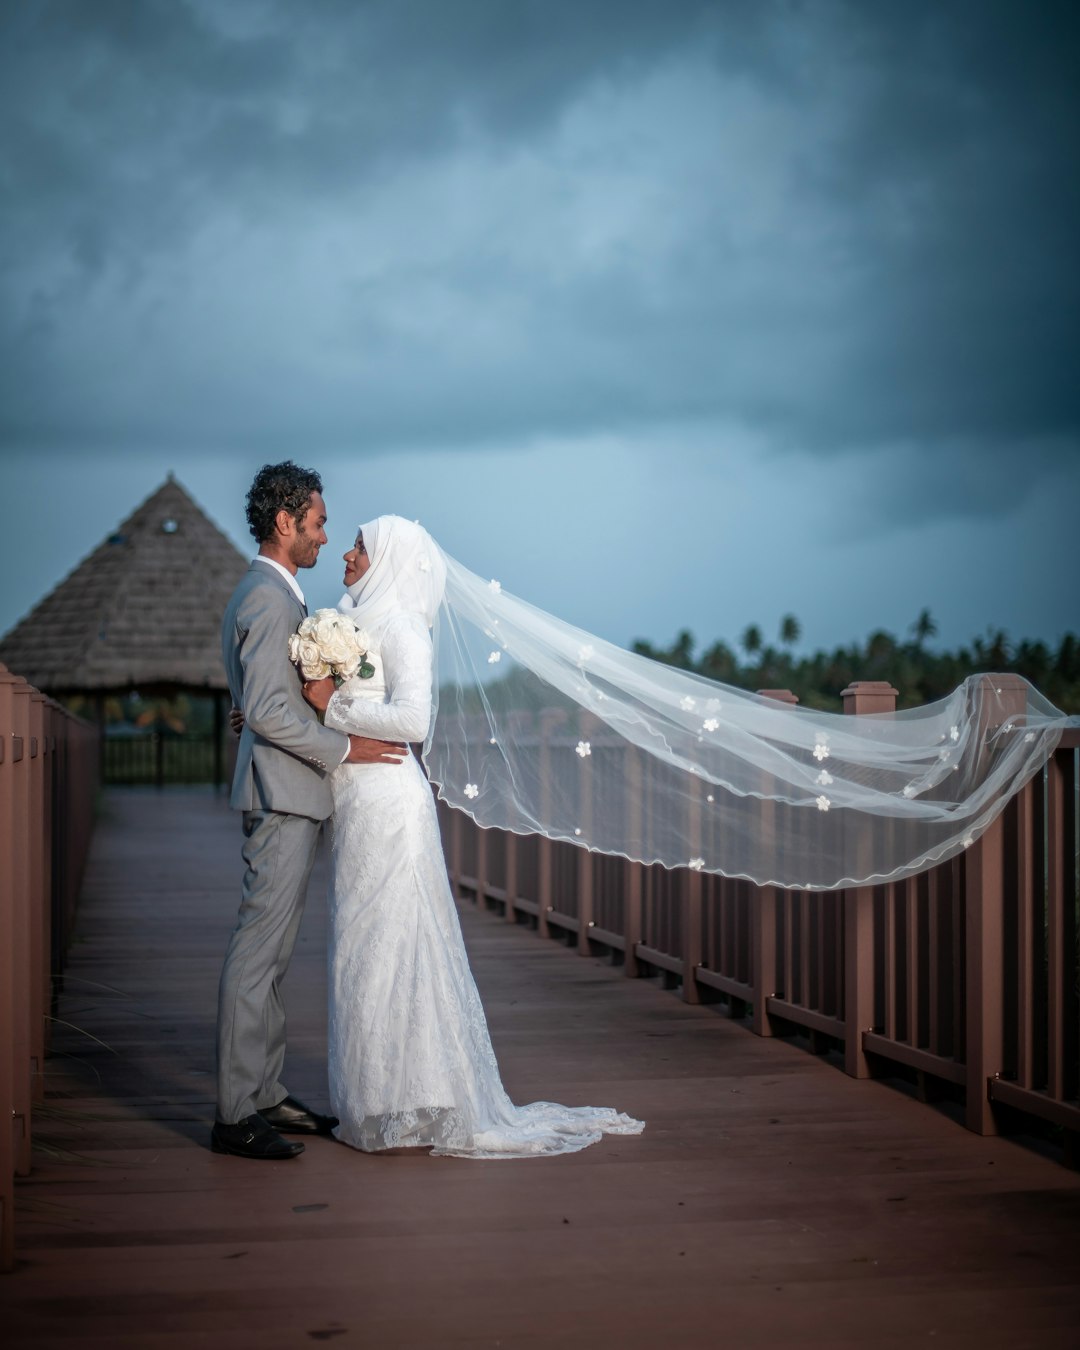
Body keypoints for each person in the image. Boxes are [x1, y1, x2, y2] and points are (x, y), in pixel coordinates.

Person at [302, 515, 645, 1157]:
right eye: (349, 542)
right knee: (361, 948)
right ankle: (373, 1102)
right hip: (354, 805)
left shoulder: (403, 627)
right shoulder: (349, 624)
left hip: (391, 806)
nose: (347, 554)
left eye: (360, 546)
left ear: (391, 561)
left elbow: (412, 718)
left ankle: (415, 1098)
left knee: (396, 947)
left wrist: (332, 705)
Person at [212, 464, 407, 1162]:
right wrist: (345, 745)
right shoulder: (267, 599)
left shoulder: (275, 596)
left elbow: (260, 703)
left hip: (291, 792)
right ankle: (236, 1111)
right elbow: (267, 711)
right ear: (285, 522)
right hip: (283, 794)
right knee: (257, 953)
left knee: (274, 955)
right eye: (319, 522)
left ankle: (264, 1093)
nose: (325, 536)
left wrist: (272, 712)